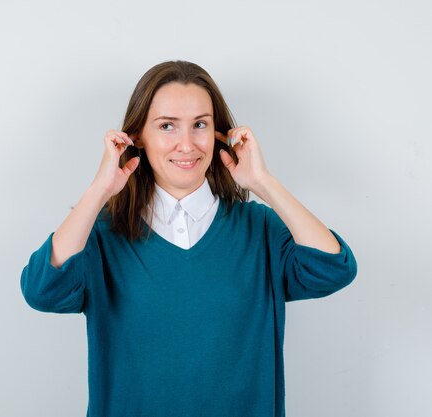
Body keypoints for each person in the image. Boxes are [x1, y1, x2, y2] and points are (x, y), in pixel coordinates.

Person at [20, 60, 357, 417]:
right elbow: (42, 291)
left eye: (200, 125)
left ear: (219, 135)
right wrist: (101, 190)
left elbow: (334, 268)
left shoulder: (260, 230)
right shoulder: (102, 234)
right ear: (138, 138)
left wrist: (262, 182)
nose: (186, 144)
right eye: (167, 126)